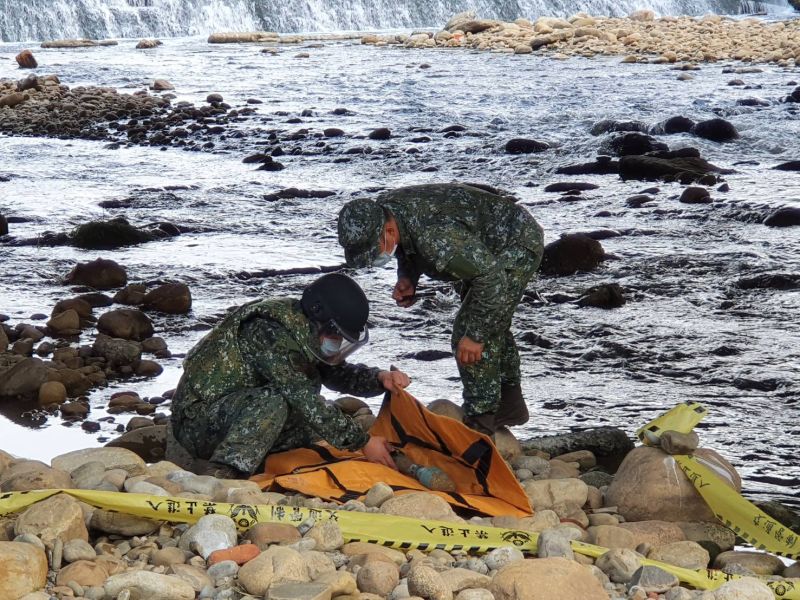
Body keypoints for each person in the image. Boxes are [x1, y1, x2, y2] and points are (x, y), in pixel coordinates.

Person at [337, 183, 543, 436]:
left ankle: (481, 423)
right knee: (492, 320)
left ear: (388, 230)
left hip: (513, 242)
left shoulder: (435, 239)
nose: (373, 258)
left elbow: (491, 280)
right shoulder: (385, 212)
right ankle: (511, 405)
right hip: (481, 247)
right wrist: (408, 276)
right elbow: (407, 244)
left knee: (470, 334)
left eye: (373, 251)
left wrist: (476, 335)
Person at [169, 273, 410, 479]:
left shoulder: (307, 330)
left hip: (234, 411)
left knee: (309, 424)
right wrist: (363, 442)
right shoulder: (268, 331)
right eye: (336, 335)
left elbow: (335, 373)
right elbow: (303, 397)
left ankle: (258, 457)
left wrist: (379, 378)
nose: (337, 343)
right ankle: (224, 473)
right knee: (278, 400)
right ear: (318, 315)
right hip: (197, 421)